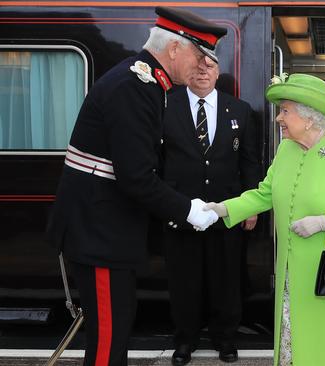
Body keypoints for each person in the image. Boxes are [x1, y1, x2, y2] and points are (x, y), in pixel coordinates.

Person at [46, 7, 227, 365]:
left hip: (105, 232)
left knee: (114, 332)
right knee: (107, 343)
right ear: (174, 49)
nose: (204, 66)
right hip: (101, 235)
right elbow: (136, 177)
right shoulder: (136, 87)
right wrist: (188, 209)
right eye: (199, 55)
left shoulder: (145, 83)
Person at [204, 73, 325, 366]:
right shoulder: (285, 149)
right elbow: (264, 194)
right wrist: (221, 209)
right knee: (292, 345)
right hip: (290, 272)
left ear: (310, 118)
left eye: (285, 111)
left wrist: (323, 222)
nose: (278, 119)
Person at [161, 56, 260, 364]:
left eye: (210, 67)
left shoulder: (240, 110)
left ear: (219, 73)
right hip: (180, 210)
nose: (203, 71)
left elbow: (250, 161)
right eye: (198, 66)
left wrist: (251, 207)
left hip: (227, 210)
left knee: (226, 278)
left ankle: (226, 338)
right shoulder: (166, 106)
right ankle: (185, 340)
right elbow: (156, 160)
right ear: (187, 71)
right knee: (184, 280)